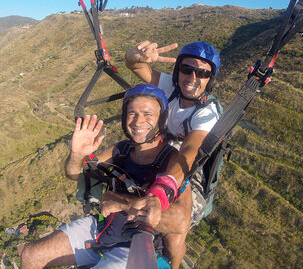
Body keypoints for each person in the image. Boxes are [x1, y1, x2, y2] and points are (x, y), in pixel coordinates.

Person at [20, 84, 192, 269]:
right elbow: (74, 175)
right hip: (103, 229)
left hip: (138, 244)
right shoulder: (122, 150)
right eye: (132, 113)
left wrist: (123, 203)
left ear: (161, 119)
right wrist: (77, 155)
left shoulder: (173, 161)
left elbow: (181, 222)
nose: (137, 121)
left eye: (148, 114)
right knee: (31, 255)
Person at [124, 40, 222, 226]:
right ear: (178, 71)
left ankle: (171, 255)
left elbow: (190, 150)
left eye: (202, 73)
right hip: (161, 151)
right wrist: (133, 57)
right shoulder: (171, 87)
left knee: (174, 220)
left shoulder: (207, 113)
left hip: (187, 169)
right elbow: (135, 65)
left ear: (210, 79)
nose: (192, 78)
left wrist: (164, 189)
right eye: (186, 69)